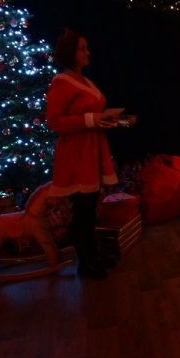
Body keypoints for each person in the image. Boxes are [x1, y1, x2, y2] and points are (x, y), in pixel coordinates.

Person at [45, 28, 118, 279]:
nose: (88, 53)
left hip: (91, 149)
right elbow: (54, 121)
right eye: (82, 48)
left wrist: (104, 120)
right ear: (70, 52)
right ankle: (85, 262)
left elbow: (90, 115)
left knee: (89, 209)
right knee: (83, 210)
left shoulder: (84, 81)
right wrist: (91, 119)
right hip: (77, 154)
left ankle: (92, 255)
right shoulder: (62, 83)